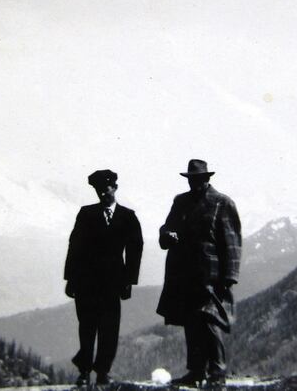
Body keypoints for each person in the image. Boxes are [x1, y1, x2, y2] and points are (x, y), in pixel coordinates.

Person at [156, 159, 242, 387]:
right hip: (183, 273)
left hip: (211, 274)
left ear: (207, 178)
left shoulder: (222, 203)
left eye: (198, 179)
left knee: (210, 320)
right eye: (191, 179)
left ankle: (217, 372)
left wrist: (230, 275)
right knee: (191, 322)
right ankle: (196, 372)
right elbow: (167, 228)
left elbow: (232, 242)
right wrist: (167, 235)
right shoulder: (180, 202)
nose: (194, 183)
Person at [64, 169, 144, 386]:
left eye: (106, 188)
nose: (102, 193)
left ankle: (102, 372)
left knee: (109, 329)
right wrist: (70, 278)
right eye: (99, 190)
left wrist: (129, 281)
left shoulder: (128, 216)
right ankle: (84, 372)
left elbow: (135, 249)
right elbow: (75, 246)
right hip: (85, 282)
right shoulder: (86, 213)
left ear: (115, 188)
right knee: (87, 327)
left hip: (112, 283)